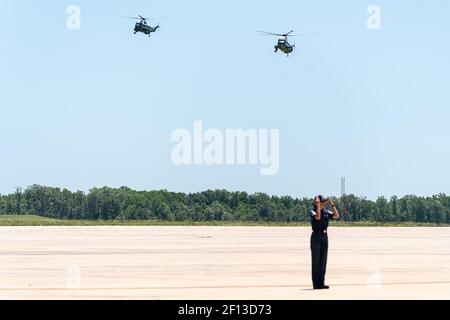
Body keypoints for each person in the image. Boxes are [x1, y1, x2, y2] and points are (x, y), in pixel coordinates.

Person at [310, 195, 339, 289]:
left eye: (323, 202)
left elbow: (336, 216)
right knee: (316, 261)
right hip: (316, 237)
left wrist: (332, 205)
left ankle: (321, 283)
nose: (324, 203)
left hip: (324, 237)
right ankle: (316, 284)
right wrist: (318, 205)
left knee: (323, 261)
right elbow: (318, 217)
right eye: (322, 202)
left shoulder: (326, 212)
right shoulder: (313, 211)